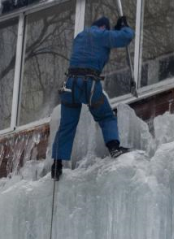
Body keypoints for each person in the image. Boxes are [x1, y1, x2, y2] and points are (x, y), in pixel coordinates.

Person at [51, 15, 135, 180]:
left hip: (69, 85)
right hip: (88, 83)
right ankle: (113, 147)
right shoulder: (100, 34)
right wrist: (124, 27)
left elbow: (94, 48)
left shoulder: (80, 37)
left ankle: (57, 164)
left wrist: (114, 31)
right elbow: (125, 38)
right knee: (106, 116)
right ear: (103, 27)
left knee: (66, 126)